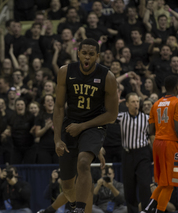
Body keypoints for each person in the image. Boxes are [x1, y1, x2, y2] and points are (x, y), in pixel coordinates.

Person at [53, 38, 118, 213]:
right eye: (84, 53)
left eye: (91, 54)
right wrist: (57, 139)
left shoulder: (108, 77)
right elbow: (59, 107)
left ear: (97, 56)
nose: (87, 57)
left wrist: (82, 127)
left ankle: (80, 210)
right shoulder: (65, 72)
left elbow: (112, 115)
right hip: (70, 125)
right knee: (66, 186)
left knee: (83, 163)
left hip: (94, 126)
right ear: (78, 54)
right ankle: (76, 205)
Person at [142, 75, 178, 213]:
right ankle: (159, 210)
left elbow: (150, 130)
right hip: (170, 145)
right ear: (177, 87)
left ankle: (147, 209)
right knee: (171, 183)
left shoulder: (156, 103)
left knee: (163, 182)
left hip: (157, 144)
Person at [117, 93, 152, 213]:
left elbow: (151, 136)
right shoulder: (121, 117)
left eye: (137, 101)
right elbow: (108, 117)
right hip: (127, 154)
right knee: (129, 187)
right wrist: (114, 103)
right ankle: (132, 210)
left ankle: (146, 210)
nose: (136, 104)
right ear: (127, 104)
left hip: (143, 153)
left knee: (145, 185)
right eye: (133, 102)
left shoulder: (147, 118)